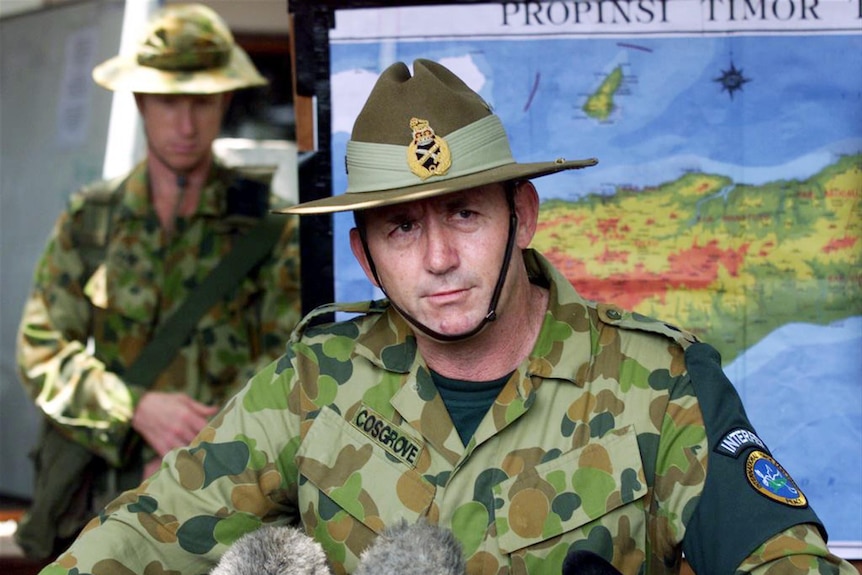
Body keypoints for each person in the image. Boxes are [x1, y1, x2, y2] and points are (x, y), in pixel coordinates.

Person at [36, 59, 854, 575]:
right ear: (365, 256)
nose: (435, 259)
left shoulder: (662, 387)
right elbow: (143, 534)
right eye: (402, 226)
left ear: (521, 216)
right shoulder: (316, 382)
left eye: (463, 214)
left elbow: (784, 560)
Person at [15, 3, 301, 561]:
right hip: (96, 496)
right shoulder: (91, 219)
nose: (186, 124)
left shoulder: (270, 229)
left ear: (224, 101)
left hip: (223, 499)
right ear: (142, 102)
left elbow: (286, 366)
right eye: (169, 102)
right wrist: (134, 406)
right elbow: (42, 349)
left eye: (202, 102)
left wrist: (193, 459)